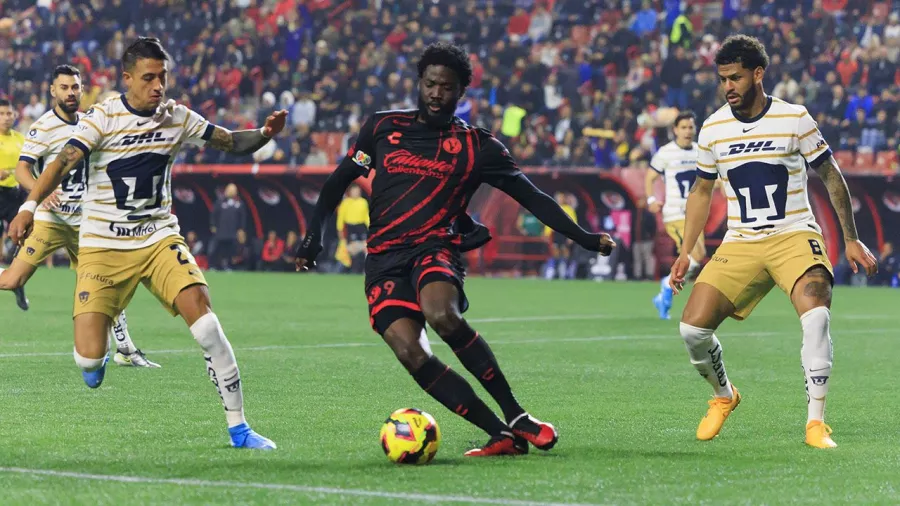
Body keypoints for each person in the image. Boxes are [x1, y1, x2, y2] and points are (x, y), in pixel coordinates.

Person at [295, 42, 615, 457]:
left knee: (442, 314)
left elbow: (533, 198)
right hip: (383, 260)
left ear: (461, 93)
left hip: (435, 248)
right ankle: (501, 435)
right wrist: (313, 236)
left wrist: (586, 239)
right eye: (429, 84)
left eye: (446, 88)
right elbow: (338, 182)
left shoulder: (478, 147)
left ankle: (517, 414)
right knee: (410, 352)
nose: (435, 94)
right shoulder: (381, 128)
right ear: (419, 83)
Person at [7, 37, 286, 450]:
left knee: (207, 324)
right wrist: (29, 206)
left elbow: (230, 140)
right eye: (149, 78)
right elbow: (63, 161)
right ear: (128, 79)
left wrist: (264, 132)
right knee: (88, 363)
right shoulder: (101, 118)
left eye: (163, 77)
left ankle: (239, 428)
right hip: (102, 244)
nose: (158, 86)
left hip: (158, 238)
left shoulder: (178, 117)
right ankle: (99, 350)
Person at [669, 35, 877, 449]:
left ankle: (815, 424)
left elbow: (831, 175)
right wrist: (685, 250)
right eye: (723, 78)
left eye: (736, 77)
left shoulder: (794, 118)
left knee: (816, 312)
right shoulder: (713, 128)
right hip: (741, 242)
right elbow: (701, 192)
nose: (728, 85)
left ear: (758, 74)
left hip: (794, 234)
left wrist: (851, 239)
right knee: (692, 329)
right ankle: (724, 396)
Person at [0, 65, 160, 369]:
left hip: (88, 221)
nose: (71, 93)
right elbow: (23, 168)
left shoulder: (91, 122)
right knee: (12, 279)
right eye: (64, 87)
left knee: (106, 282)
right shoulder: (42, 127)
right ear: (53, 91)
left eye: (75, 87)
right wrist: (40, 192)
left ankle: (125, 349)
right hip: (51, 219)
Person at [646, 111, 704, 319]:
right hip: (675, 213)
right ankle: (666, 286)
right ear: (675, 130)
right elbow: (650, 176)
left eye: (691, 127)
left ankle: (665, 290)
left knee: (694, 257)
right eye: (684, 127)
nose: (688, 131)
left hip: (695, 214)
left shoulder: (700, 151)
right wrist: (651, 200)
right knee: (694, 255)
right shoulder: (666, 153)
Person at [0, 97, 29, 310]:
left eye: (8, 113)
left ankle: (16, 279)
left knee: (25, 236)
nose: (5, 118)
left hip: (15, 194)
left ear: (15, 115)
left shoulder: (21, 139)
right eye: (1, 114)